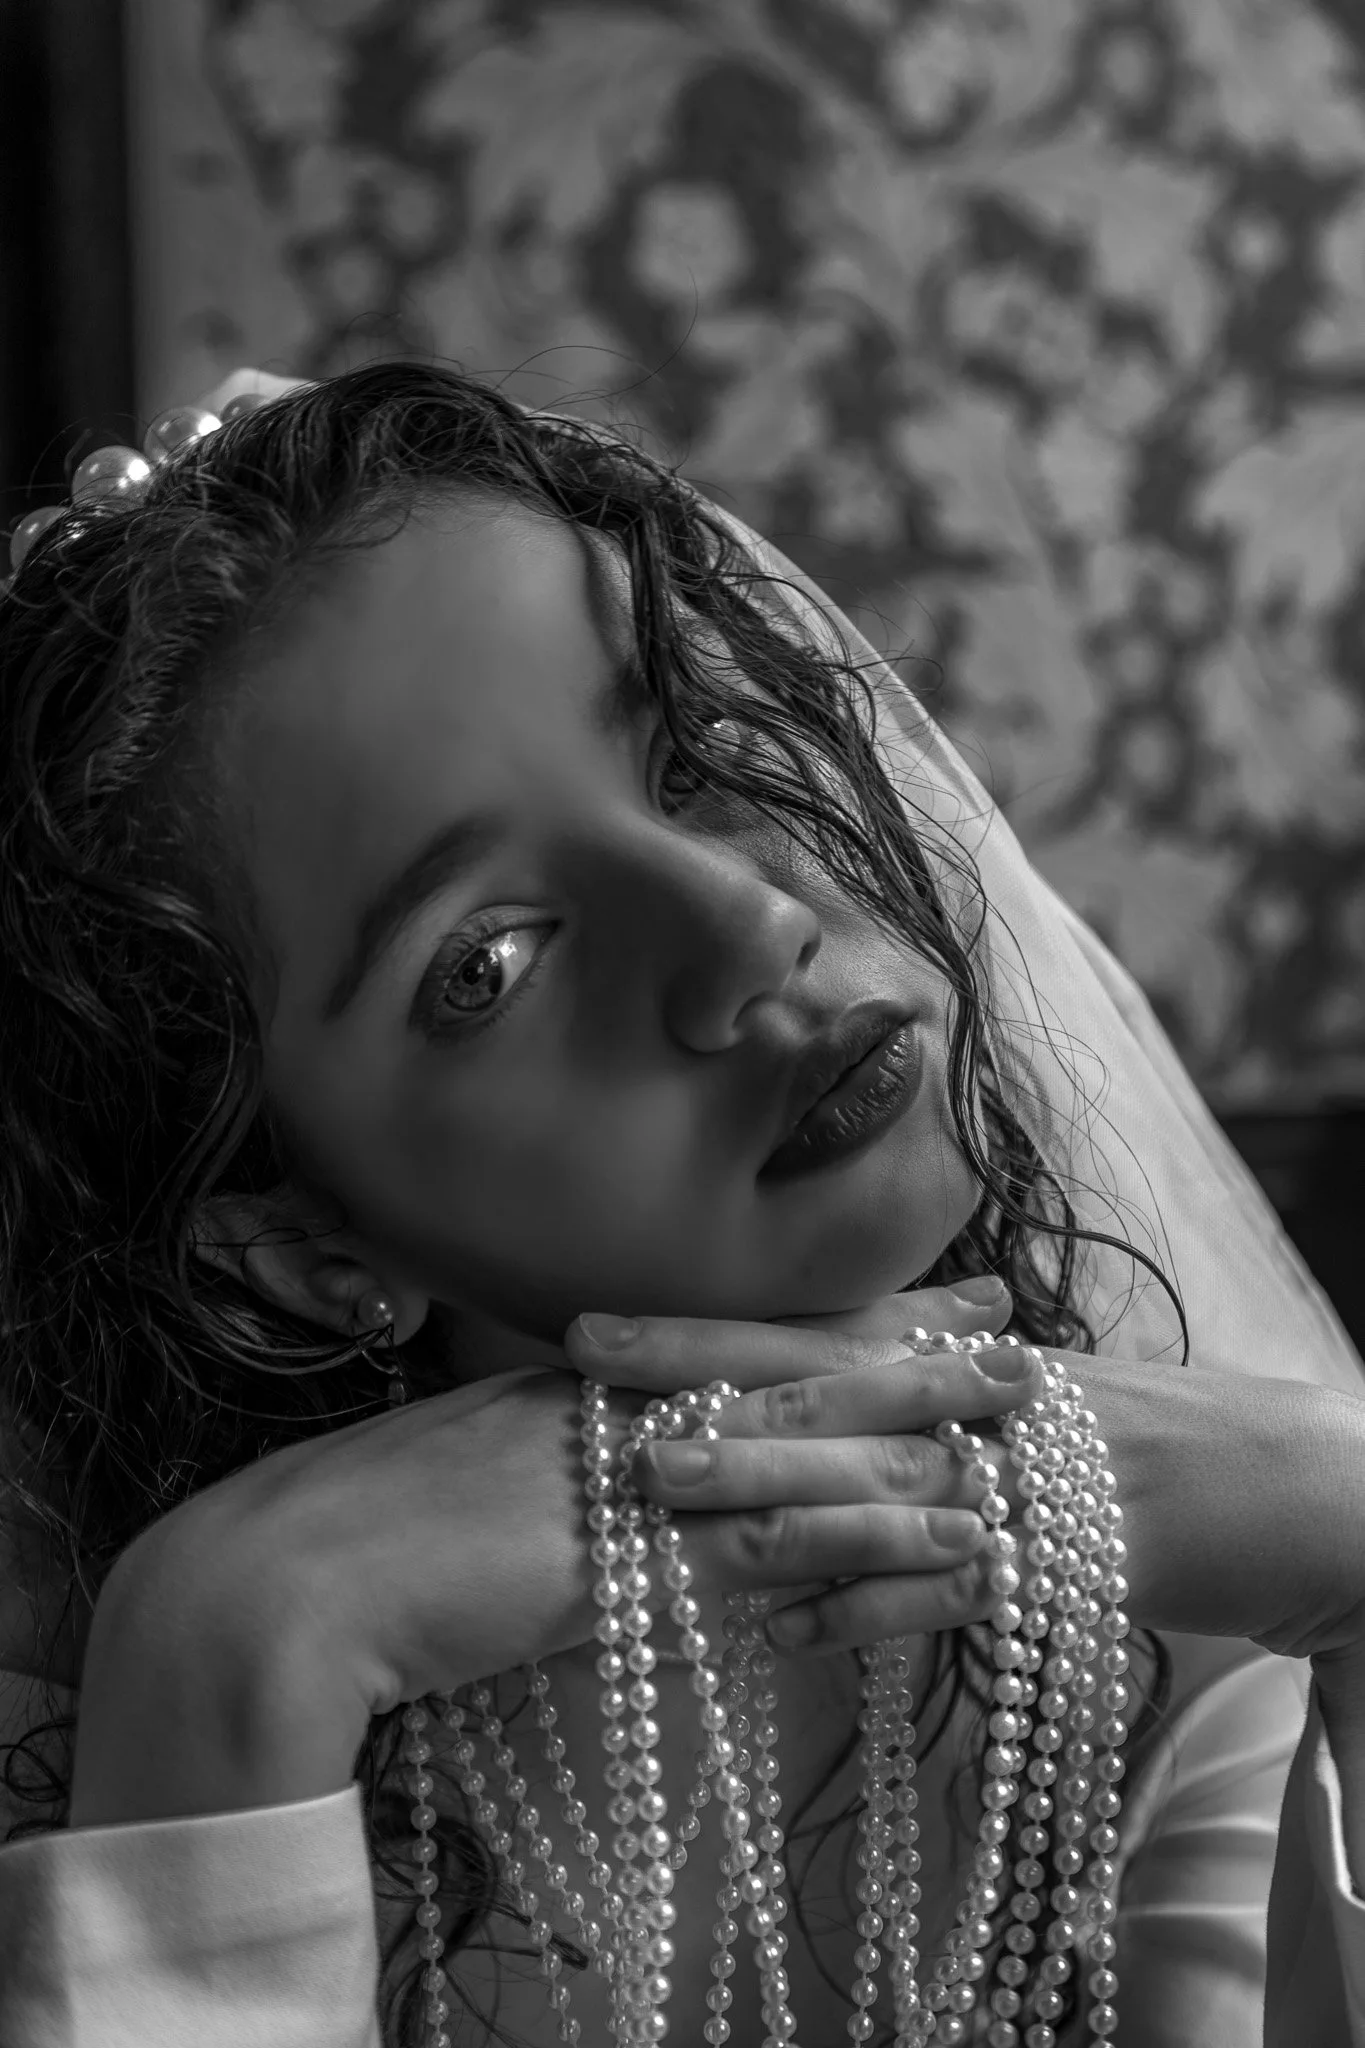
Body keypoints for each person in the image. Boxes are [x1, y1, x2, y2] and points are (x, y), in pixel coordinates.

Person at [0, 361, 1360, 2048]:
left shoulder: (1186, 1630)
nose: (744, 929)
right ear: (302, 1243)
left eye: (698, 751)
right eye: (486, 963)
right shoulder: (132, 1718)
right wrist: (233, 1650)